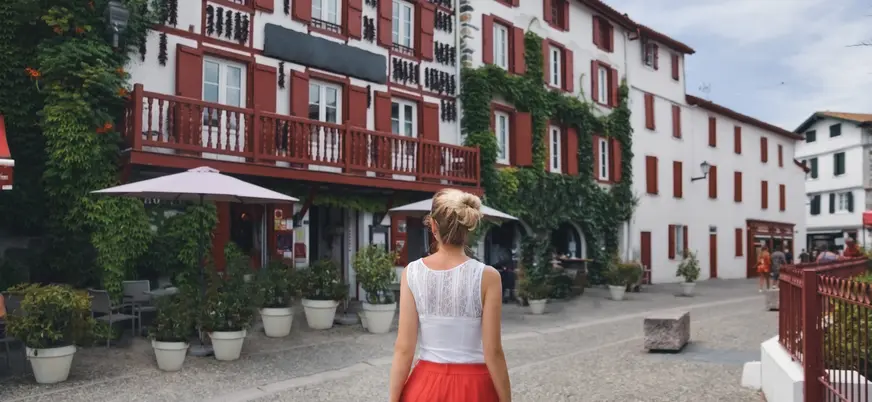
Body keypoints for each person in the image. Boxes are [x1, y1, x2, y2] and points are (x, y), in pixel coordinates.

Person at [389, 189, 511, 402]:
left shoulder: (412, 273)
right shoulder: (488, 277)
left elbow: (404, 349)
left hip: (426, 384)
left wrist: (393, 398)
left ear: (433, 225)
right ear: (468, 227)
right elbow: (493, 352)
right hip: (474, 387)